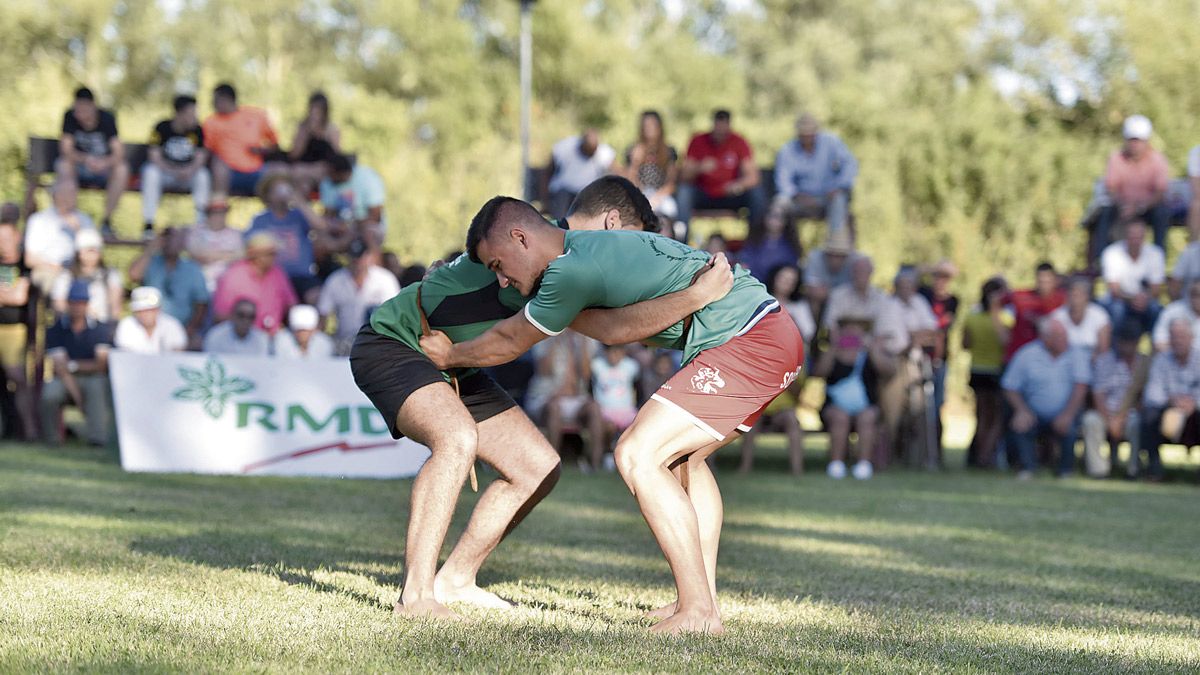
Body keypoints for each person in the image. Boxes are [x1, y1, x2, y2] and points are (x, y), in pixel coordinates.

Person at [349, 180, 734, 622]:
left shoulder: (564, 262)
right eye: (638, 239)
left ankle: (455, 580)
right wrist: (696, 295)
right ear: (613, 224)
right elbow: (514, 333)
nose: (637, 257)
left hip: (456, 362)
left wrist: (697, 299)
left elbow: (615, 328)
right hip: (397, 344)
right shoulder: (543, 250)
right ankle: (415, 597)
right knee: (456, 438)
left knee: (537, 468)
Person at [419, 196, 804, 635]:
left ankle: (699, 611)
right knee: (682, 461)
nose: (503, 281)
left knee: (638, 454)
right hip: (767, 332)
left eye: (497, 265)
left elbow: (510, 341)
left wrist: (452, 354)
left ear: (521, 238)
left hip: (749, 338)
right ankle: (699, 598)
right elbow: (613, 328)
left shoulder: (568, 269)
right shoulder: (583, 254)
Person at [738, 264, 814, 475]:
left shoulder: (797, 358)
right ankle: (745, 467)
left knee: (791, 419)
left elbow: (799, 393)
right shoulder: (760, 300)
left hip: (784, 405)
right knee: (751, 418)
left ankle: (797, 471)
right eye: (784, 277)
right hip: (758, 400)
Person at [1002, 317, 1091, 479]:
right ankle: (1027, 468)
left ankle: (1065, 470)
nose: (1064, 340)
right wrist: (1022, 410)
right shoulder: (1026, 354)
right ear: (1045, 338)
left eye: (1065, 335)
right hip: (1033, 411)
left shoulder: (1077, 354)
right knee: (1021, 423)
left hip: (1066, 411)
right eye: (1058, 336)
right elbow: (1010, 386)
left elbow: (1081, 387)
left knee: (1069, 426)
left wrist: (1067, 414)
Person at [813, 317, 894, 480]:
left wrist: (872, 348)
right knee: (840, 417)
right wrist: (833, 346)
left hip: (866, 407)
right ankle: (836, 464)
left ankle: (864, 464)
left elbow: (889, 372)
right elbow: (818, 372)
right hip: (834, 407)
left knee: (867, 417)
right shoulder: (833, 352)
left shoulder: (869, 353)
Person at [40, 281, 113, 446]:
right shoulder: (56, 329)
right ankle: (53, 439)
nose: (77, 307)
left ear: (87, 304)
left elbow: (101, 366)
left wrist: (73, 365)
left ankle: (98, 439)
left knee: (96, 386)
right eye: (74, 302)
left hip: (91, 377)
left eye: (81, 302)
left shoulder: (99, 329)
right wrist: (79, 399)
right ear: (68, 303)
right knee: (50, 393)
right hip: (65, 379)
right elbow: (60, 368)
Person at [676, 110, 765, 240]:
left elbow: (754, 177)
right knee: (684, 192)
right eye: (718, 129)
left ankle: (756, 241)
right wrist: (699, 167)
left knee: (756, 194)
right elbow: (683, 176)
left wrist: (739, 185)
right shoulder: (698, 141)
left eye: (724, 130)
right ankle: (681, 239)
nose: (720, 134)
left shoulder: (738, 142)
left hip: (729, 195)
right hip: (704, 194)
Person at [1092, 115, 1170, 261]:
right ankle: (1100, 260)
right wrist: (1123, 205)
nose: (1135, 144)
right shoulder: (1116, 158)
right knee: (1105, 212)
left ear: (1146, 141)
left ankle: (1159, 259)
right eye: (1131, 140)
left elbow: (1160, 191)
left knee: (1162, 212)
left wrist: (1140, 207)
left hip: (1147, 208)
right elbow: (1111, 188)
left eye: (1138, 140)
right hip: (1122, 206)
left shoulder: (1157, 160)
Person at [524, 331, 603, 469]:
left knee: (594, 408)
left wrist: (583, 341)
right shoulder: (542, 337)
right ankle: (552, 465)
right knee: (554, 408)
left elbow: (585, 375)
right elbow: (544, 370)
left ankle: (596, 464)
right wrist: (555, 339)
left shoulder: (588, 339)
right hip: (545, 397)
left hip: (576, 398)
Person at [1082, 320, 1148, 479]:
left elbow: (1144, 397)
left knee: (1137, 422)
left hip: (1131, 414)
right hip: (1106, 412)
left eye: (1130, 341)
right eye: (1123, 341)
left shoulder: (1145, 363)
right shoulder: (1105, 360)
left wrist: (1121, 418)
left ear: (1137, 342)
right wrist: (1110, 420)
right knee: (1090, 420)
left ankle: (1133, 470)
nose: (1125, 346)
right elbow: (1098, 394)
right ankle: (1098, 471)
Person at [57, 87, 127, 234]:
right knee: (63, 165)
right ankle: (70, 217)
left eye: (83, 109)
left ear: (92, 106)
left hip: (103, 168)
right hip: (80, 166)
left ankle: (107, 221)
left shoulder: (107, 118)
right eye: (77, 109)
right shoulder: (70, 117)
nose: (79, 114)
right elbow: (66, 149)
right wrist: (85, 159)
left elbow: (118, 152)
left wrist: (104, 162)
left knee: (122, 169)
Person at [773, 112, 857, 234]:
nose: (807, 137)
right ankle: (782, 247)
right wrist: (796, 194)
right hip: (800, 198)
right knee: (780, 204)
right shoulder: (787, 150)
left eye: (810, 134)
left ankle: (835, 244)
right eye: (804, 134)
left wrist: (839, 186)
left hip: (829, 195)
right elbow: (783, 180)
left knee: (839, 201)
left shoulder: (831, 142)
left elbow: (850, 164)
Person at [1139, 319, 1200, 481]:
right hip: (1168, 413)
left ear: (1191, 337)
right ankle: (1154, 470)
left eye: (1182, 336)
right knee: (1149, 415)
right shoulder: (1161, 360)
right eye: (1174, 336)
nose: (1178, 340)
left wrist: (1193, 403)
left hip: (1195, 415)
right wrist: (1172, 401)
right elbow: (1152, 394)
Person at [129, 227, 209, 349]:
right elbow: (133, 274)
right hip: (148, 328)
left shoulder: (192, 269)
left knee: (196, 344)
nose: (171, 242)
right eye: (167, 238)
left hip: (184, 329)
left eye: (175, 238)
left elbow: (201, 304)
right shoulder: (151, 262)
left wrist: (188, 331)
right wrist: (150, 249)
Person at [245, 173, 324, 297]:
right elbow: (251, 246)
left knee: (316, 296)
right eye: (276, 190)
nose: (281, 193)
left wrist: (299, 201)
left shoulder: (299, 215)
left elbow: (320, 226)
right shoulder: (260, 220)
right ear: (268, 196)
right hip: (272, 277)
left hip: (301, 277)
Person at [316, 238, 400, 354]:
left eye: (360, 257)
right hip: (345, 341)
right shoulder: (335, 280)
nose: (357, 262)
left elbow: (397, 315)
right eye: (353, 257)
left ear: (369, 256)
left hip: (378, 340)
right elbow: (323, 315)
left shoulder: (385, 279)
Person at [142, 94, 211, 237]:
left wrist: (189, 170)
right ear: (180, 113)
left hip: (188, 175)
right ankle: (149, 223)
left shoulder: (198, 130)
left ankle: (202, 223)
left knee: (203, 175)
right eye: (191, 113)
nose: (195, 116)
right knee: (150, 172)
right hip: (166, 173)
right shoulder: (161, 127)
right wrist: (173, 170)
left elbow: (201, 157)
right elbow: (154, 156)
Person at [962, 277, 1012, 468]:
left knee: (982, 416)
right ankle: (985, 456)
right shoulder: (1005, 318)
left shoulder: (971, 316)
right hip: (996, 370)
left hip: (976, 370)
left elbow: (965, 344)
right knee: (997, 417)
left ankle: (981, 454)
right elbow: (1006, 342)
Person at [203, 83, 281, 200]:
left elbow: (275, 144)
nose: (213, 105)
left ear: (226, 99)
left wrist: (262, 150)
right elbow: (207, 150)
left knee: (280, 172)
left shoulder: (256, 115)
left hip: (257, 171)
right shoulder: (211, 122)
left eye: (215, 101)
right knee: (218, 165)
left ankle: (279, 216)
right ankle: (218, 208)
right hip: (228, 174)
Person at [212, 233, 298, 334]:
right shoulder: (234, 275)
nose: (274, 257)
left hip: (274, 335)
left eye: (275, 253)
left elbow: (291, 304)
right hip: (241, 336)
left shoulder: (277, 273)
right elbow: (220, 316)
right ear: (254, 254)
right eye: (270, 253)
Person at [823, 256, 908, 355]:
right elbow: (831, 330)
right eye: (857, 271)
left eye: (864, 271)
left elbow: (885, 336)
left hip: (874, 353)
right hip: (843, 351)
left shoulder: (882, 298)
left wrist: (861, 339)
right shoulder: (838, 295)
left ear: (871, 272)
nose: (860, 275)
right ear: (852, 272)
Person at [24, 180, 97, 293]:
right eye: (65, 194)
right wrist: (55, 267)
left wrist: (79, 232)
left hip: (79, 268)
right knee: (58, 283)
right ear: (54, 196)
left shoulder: (84, 220)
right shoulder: (38, 220)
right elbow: (30, 259)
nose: (69, 198)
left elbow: (94, 253)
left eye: (73, 194)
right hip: (47, 269)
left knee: (103, 279)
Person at [0, 220, 37, 440]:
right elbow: (12, 295)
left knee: (17, 377)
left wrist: (7, 296)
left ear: (17, 238)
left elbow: (19, 297)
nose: (2, 244)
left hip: (14, 331)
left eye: (6, 238)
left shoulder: (24, 265)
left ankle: (29, 429)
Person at [918, 259, 960, 444]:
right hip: (920, 356)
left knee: (937, 403)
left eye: (944, 278)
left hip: (939, 357)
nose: (940, 282)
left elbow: (941, 329)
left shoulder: (952, 301)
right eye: (937, 277)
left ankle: (935, 446)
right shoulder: (923, 295)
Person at [1100, 219, 1164, 334]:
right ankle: (1113, 349)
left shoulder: (1155, 253)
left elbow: (1156, 289)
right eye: (1132, 236)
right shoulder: (1112, 253)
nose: (1135, 240)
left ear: (1144, 236)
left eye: (1138, 236)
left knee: (1156, 309)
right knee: (1116, 309)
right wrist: (1132, 299)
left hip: (1145, 300)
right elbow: (1114, 289)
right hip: (1119, 300)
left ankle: (1156, 347)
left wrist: (1144, 298)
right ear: (1125, 236)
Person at [50, 229, 123, 323]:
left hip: (102, 327)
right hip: (73, 326)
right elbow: (59, 304)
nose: (91, 255)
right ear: (79, 253)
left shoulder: (110, 275)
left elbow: (115, 304)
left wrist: (112, 325)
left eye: (94, 250)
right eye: (88, 250)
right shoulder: (66, 276)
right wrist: (81, 312)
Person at [590, 344, 641, 472]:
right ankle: (607, 455)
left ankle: (631, 461)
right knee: (608, 428)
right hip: (605, 411)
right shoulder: (597, 365)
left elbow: (637, 386)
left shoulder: (631, 366)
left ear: (624, 353)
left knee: (637, 427)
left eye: (618, 353)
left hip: (627, 411)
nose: (614, 356)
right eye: (611, 353)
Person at [319, 153, 387, 247]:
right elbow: (328, 214)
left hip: (365, 227)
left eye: (331, 174)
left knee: (369, 233)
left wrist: (351, 226)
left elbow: (375, 216)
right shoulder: (327, 182)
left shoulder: (367, 178)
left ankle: (371, 259)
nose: (328, 177)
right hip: (340, 228)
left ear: (339, 173)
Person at [545, 129, 615, 219]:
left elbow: (617, 172)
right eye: (587, 152)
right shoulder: (565, 147)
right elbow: (548, 172)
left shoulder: (603, 153)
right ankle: (559, 229)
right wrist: (545, 199)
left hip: (587, 193)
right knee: (561, 209)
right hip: (563, 191)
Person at [622, 111, 678, 222]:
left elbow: (671, 183)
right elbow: (629, 180)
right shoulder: (633, 150)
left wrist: (657, 197)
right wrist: (635, 162)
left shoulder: (668, 151)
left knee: (669, 209)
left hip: (661, 194)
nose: (649, 129)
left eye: (652, 125)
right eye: (646, 125)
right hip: (640, 192)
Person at [1005, 262, 1065, 362]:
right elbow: (995, 301)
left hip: (1048, 358)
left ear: (1055, 281)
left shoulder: (1063, 299)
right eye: (1041, 281)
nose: (1044, 285)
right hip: (1019, 355)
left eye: (1047, 281)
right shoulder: (1020, 297)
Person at [186, 201, 245, 293]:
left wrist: (210, 254)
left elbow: (240, 256)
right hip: (199, 284)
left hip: (227, 286)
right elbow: (195, 254)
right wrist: (227, 255)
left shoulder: (235, 234)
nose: (218, 217)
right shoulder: (196, 231)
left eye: (222, 213)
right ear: (208, 214)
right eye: (214, 213)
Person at [288, 92, 341, 192]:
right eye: (313, 108)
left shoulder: (332, 129)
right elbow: (294, 154)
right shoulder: (303, 128)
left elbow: (336, 157)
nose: (315, 112)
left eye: (319, 109)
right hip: (302, 169)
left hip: (323, 170)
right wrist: (305, 133)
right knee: (302, 184)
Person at [736, 201, 801, 283]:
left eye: (780, 217)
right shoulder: (753, 240)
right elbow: (744, 265)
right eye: (771, 215)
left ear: (786, 221)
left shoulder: (791, 245)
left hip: (779, 291)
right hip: (754, 286)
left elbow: (790, 272)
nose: (774, 221)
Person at [803, 228, 859, 322]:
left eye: (839, 255)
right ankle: (812, 333)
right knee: (813, 301)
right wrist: (837, 294)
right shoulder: (815, 257)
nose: (835, 259)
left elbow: (858, 289)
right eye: (832, 254)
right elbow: (812, 289)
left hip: (845, 301)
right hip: (824, 301)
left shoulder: (855, 261)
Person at [1050, 276, 1112, 361]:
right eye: (1072, 294)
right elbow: (1054, 349)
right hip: (1065, 364)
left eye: (1079, 295)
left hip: (1093, 363)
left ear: (1087, 296)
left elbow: (1103, 350)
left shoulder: (1100, 316)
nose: (1075, 299)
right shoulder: (1057, 317)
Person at [113, 286, 188, 354]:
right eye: (140, 310)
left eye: (149, 310)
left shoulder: (172, 325)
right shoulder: (126, 325)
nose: (145, 314)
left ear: (158, 309)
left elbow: (178, 354)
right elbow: (125, 357)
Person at [203, 299, 271, 356]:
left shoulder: (261, 339)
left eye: (250, 317)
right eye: (241, 315)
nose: (245, 320)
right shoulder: (215, 336)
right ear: (232, 315)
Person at [1151, 282, 1200, 353]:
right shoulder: (1173, 310)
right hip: (1174, 359)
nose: (1198, 299)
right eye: (1196, 294)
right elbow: (1159, 342)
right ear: (1190, 294)